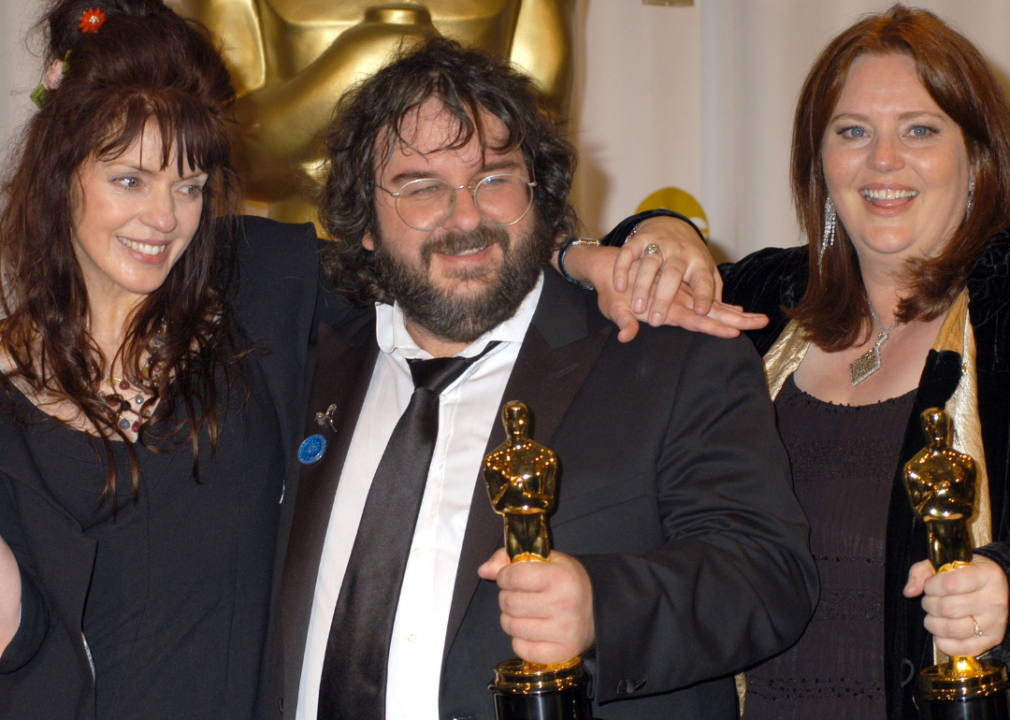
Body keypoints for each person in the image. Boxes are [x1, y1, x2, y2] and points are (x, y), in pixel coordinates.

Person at [261, 36, 818, 720]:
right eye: (420, 188)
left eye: (494, 178)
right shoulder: (308, 356)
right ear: (365, 222)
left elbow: (768, 576)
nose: (465, 217)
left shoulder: (669, 352)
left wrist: (601, 607)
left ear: (539, 190)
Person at [606, 5, 1010, 718]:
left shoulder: (1003, 307)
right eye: (853, 132)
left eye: (920, 129)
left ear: (976, 156)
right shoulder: (763, 301)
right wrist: (656, 228)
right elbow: (588, 284)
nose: (883, 161)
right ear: (819, 161)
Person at [0, 2, 342, 717]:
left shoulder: (262, 282)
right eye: (131, 180)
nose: (166, 219)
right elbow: (26, 646)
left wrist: (592, 250)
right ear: (62, 176)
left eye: (188, 187)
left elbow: (429, 275)